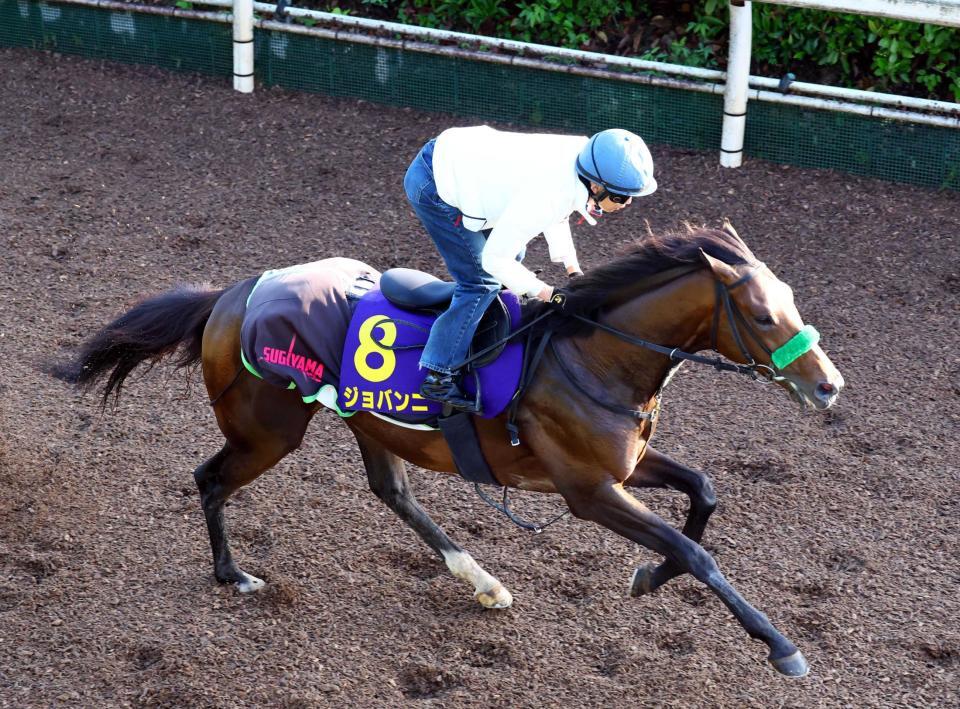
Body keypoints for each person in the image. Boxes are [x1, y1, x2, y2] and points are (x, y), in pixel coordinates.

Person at [403, 125, 657, 413]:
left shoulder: (585, 160)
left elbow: (558, 212)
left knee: (517, 253)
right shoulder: (550, 190)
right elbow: (495, 259)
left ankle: (475, 323)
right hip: (433, 183)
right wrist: (550, 294)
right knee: (481, 282)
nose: (627, 203)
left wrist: (573, 271)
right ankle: (439, 372)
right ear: (596, 187)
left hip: (462, 162)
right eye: (622, 197)